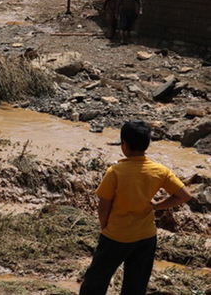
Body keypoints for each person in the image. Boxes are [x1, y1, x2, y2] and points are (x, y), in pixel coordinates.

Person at [79, 120, 192, 295]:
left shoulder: (115, 172)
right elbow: (184, 195)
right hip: (146, 237)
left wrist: (105, 228)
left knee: (95, 283)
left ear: (124, 145)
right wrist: (157, 206)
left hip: (116, 235)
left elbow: (103, 207)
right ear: (147, 144)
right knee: (135, 287)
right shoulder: (159, 171)